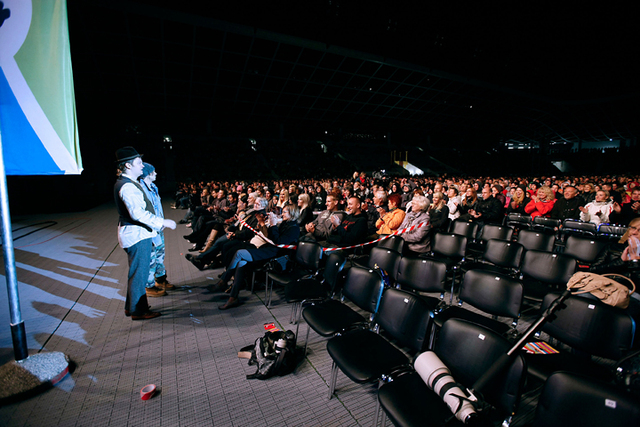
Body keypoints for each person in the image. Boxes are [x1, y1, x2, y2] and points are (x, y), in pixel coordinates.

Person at [114, 147, 176, 320]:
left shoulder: (128, 182)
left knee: (137, 272)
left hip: (135, 234)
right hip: (136, 235)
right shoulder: (128, 186)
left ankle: (131, 307)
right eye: (139, 162)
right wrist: (162, 222)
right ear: (128, 165)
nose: (143, 166)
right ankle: (138, 311)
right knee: (139, 275)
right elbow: (138, 214)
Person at [214, 204, 301, 310]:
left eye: (285, 212)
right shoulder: (285, 224)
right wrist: (264, 224)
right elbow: (270, 237)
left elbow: (278, 242)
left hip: (275, 256)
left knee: (240, 253)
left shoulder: (294, 228)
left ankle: (224, 280)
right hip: (268, 250)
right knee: (242, 262)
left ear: (292, 213)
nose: (282, 214)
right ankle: (233, 297)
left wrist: (273, 225)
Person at [138, 162, 174, 298]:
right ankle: (149, 286)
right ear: (147, 174)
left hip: (158, 227)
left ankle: (160, 280)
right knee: (151, 257)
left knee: (160, 255)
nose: (156, 174)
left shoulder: (153, 187)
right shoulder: (140, 189)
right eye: (153, 172)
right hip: (149, 229)